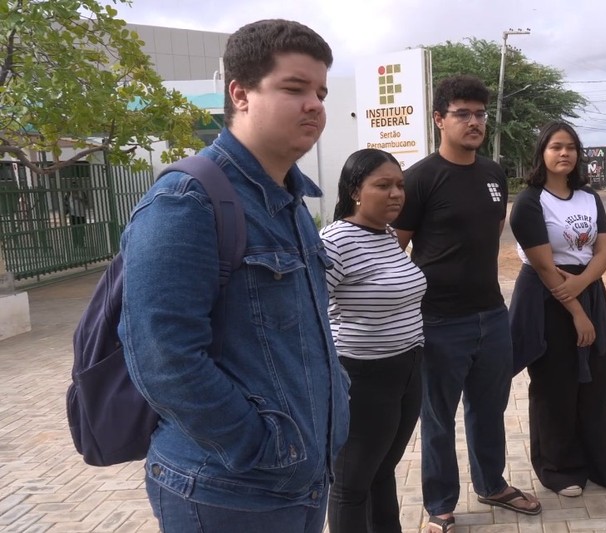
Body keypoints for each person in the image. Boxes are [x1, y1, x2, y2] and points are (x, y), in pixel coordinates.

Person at [119, 19, 349, 532]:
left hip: (301, 479)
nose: (315, 104)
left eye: (321, 91)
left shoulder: (290, 200)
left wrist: (337, 403)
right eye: (294, 88)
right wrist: (262, 445)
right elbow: (163, 358)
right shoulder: (187, 202)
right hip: (229, 490)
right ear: (240, 93)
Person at [392, 75, 541, 533]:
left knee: (489, 408)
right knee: (438, 417)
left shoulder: (493, 173)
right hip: (437, 320)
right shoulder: (418, 179)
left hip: (492, 314)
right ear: (440, 119)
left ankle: (491, 484)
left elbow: (493, 229)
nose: (474, 122)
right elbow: (395, 248)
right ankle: (439, 502)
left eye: (480, 114)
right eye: (463, 113)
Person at [509, 121, 606, 497]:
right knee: (555, 384)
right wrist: (576, 310)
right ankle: (558, 468)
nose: (564, 153)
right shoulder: (530, 200)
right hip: (547, 297)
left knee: (596, 378)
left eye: (571, 147)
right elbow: (544, 265)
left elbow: (604, 249)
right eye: (556, 146)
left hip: (587, 288)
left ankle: (597, 462)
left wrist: (584, 284)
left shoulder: (589, 197)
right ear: (542, 152)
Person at [320, 149, 426, 533]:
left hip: (408, 369)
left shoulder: (386, 236)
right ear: (354, 191)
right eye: (383, 185)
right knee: (351, 483)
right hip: (362, 378)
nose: (396, 193)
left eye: (400, 185)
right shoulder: (335, 241)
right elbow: (310, 313)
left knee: (383, 471)